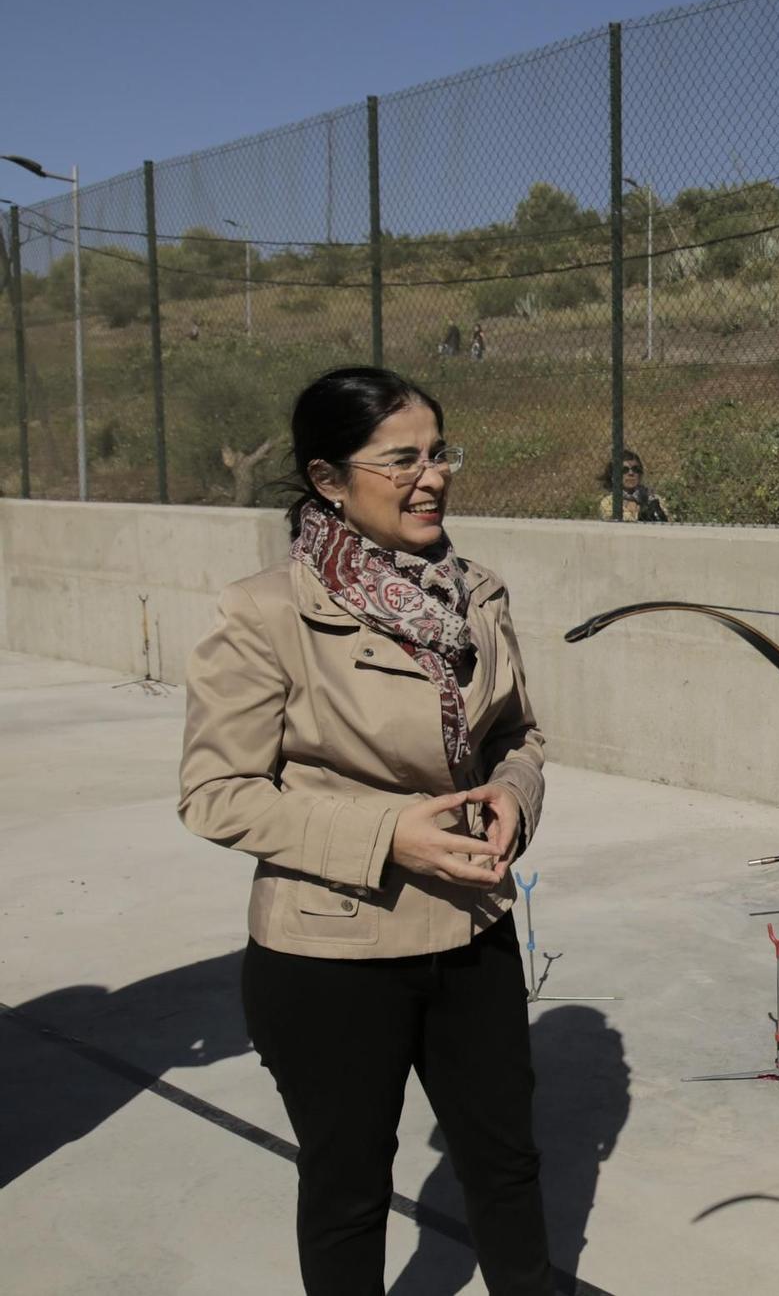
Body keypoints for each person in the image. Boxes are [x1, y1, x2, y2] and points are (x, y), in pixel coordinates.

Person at [179, 366, 554, 1295]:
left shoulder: (477, 592)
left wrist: (514, 792)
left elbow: (518, 734)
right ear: (329, 479)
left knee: (507, 1169)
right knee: (348, 1189)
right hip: (329, 954)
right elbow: (215, 791)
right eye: (402, 460)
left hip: (473, 925)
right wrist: (389, 834)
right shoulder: (266, 611)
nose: (433, 476)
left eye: (440, 453)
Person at [599, 449, 669, 523]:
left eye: (636, 469)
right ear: (614, 476)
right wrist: (641, 515)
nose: (631, 473)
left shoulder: (653, 499)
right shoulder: (608, 502)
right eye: (624, 470)